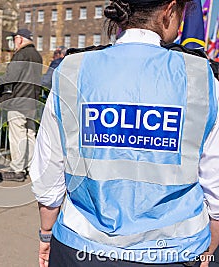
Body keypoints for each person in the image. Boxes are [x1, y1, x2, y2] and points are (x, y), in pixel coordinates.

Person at [30, 0, 219, 266]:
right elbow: (215, 182)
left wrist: (46, 233)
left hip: (80, 246)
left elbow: (49, 168)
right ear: (169, 10)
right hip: (174, 251)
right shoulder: (201, 76)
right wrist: (209, 249)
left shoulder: (72, 69)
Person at [0, 28, 43, 182]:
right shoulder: (37, 55)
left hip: (18, 101)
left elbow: (10, 77)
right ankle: (31, 166)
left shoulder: (21, 55)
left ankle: (18, 170)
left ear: (20, 39)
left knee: (17, 136)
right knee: (29, 135)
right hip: (32, 101)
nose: (13, 43)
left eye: (15, 39)